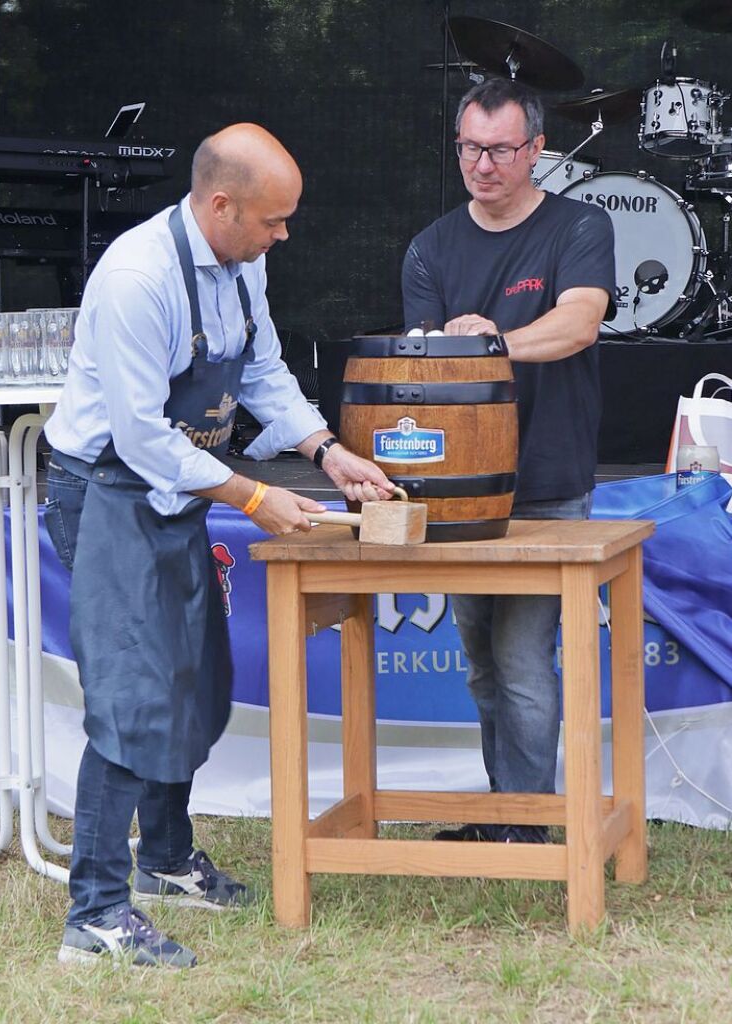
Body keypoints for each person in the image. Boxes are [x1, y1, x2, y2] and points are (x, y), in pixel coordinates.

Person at [44, 122, 394, 967]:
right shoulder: (137, 279)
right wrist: (255, 496)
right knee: (133, 696)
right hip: (105, 491)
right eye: (273, 220)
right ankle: (93, 916)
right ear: (221, 203)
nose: (284, 234)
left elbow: (263, 370)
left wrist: (325, 452)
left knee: (192, 682)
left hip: (175, 494)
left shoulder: (243, 263)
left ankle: (165, 861)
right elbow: (138, 438)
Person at [401, 78, 615, 844]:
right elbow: (424, 372)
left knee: (523, 661)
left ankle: (529, 827)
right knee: (481, 665)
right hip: (460, 497)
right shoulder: (430, 246)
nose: (481, 164)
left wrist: (489, 343)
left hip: (549, 483)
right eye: (469, 147)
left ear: (534, 151)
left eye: (497, 149)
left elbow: (578, 323)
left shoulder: (579, 227)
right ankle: (504, 814)